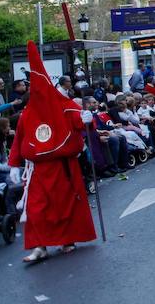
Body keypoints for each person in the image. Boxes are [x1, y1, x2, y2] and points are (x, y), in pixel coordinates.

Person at [7, 41, 96, 262]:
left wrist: (87, 119)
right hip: (37, 170)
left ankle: (68, 240)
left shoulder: (63, 105)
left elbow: (79, 120)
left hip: (63, 167)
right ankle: (39, 246)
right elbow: (19, 139)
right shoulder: (27, 113)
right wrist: (13, 164)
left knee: (65, 206)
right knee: (36, 209)